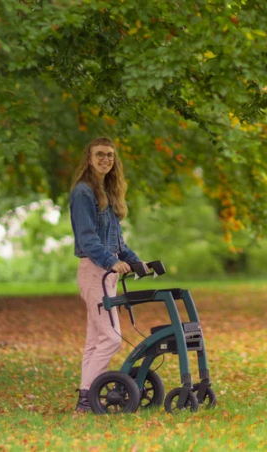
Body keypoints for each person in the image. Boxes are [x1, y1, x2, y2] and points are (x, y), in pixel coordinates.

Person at [69, 136, 145, 413]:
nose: (105, 159)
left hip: (107, 273)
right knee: (112, 338)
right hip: (94, 272)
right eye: (100, 154)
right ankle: (87, 399)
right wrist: (111, 261)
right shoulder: (83, 193)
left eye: (110, 155)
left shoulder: (108, 192)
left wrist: (137, 263)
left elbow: (118, 243)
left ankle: (83, 402)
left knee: (96, 340)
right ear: (89, 159)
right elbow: (88, 239)